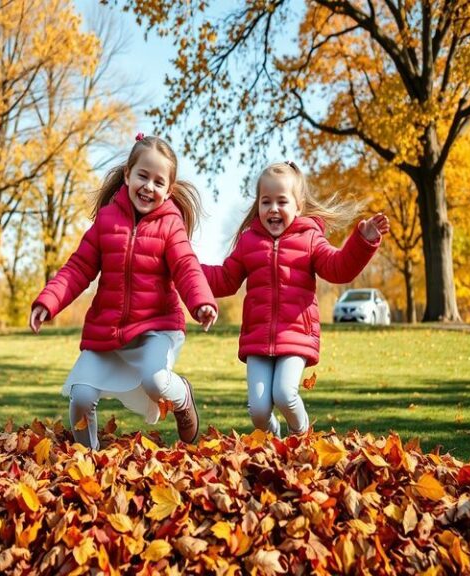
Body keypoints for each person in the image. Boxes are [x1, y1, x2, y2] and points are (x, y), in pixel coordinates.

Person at [30, 134, 218, 449]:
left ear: (169, 191)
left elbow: (187, 266)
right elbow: (78, 268)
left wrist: (200, 302)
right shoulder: (106, 222)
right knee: (81, 396)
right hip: (109, 331)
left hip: (156, 327)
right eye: (143, 176)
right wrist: (48, 301)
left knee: (156, 380)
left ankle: (182, 396)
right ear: (127, 175)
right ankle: (86, 460)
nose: (149, 186)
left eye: (159, 182)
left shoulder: (171, 226)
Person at [202, 161, 389, 437]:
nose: (273, 209)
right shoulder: (249, 242)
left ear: (298, 206)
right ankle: (274, 440)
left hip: (296, 335)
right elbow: (225, 279)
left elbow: (339, 268)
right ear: (258, 206)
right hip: (257, 339)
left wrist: (362, 242)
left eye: (282, 201)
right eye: (266, 202)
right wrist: (186, 268)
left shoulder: (310, 239)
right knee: (258, 411)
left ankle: (301, 438)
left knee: (285, 394)